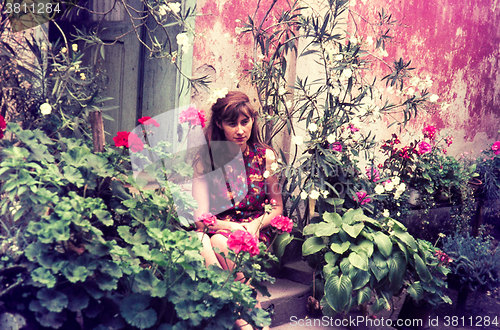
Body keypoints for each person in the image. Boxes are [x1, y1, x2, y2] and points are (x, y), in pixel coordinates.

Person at [192, 91, 282, 329]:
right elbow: (201, 220)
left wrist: (253, 226)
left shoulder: (265, 156)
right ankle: (249, 316)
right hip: (219, 228)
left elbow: (277, 207)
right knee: (208, 241)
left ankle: (242, 319)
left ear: (253, 121)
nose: (241, 130)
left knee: (221, 244)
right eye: (233, 124)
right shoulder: (207, 160)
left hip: (256, 228)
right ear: (220, 124)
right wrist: (231, 226)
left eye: (245, 122)